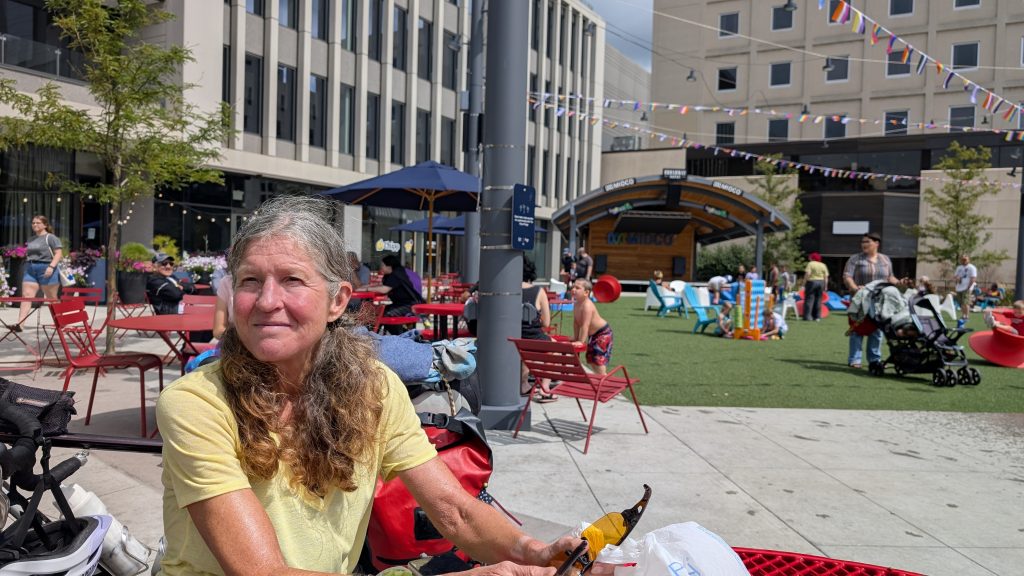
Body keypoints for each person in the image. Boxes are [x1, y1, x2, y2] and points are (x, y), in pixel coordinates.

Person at [156, 196, 579, 576]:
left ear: (337, 301)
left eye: (292, 280)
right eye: (250, 281)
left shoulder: (374, 387)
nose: (267, 301)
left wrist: (535, 552)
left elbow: (456, 512)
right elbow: (262, 572)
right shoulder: (197, 403)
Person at [843, 232, 906, 370]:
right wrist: (854, 288)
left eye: (867, 242)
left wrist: (899, 283)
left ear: (876, 243)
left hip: (880, 301)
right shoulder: (855, 259)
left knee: (877, 330)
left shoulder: (885, 259)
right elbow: (847, 276)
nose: (863, 244)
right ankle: (855, 359)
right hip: (860, 299)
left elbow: (890, 277)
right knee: (857, 329)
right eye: (862, 242)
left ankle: (874, 360)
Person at [13, 215, 63, 331]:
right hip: (31, 268)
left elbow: (58, 253)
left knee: (52, 298)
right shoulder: (31, 239)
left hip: (47, 268)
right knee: (26, 296)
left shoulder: (51, 238)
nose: (35, 225)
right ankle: (20, 324)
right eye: (33, 223)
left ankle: (60, 322)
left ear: (45, 225)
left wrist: (51, 267)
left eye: (38, 223)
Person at [521, 258, 557, 402]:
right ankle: (545, 388)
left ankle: (524, 383)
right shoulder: (538, 291)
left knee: (522, 348)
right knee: (554, 346)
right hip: (533, 338)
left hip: (511, 339)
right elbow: (546, 323)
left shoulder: (506, 290)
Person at [358, 254, 424, 333]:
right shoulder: (393, 274)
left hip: (409, 305)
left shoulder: (396, 274)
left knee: (386, 314)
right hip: (402, 304)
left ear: (389, 266)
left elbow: (384, 289)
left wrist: (366, 289)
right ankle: (373, 333)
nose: (381, 267)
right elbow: (382, 286)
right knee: (379, 313)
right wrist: (365, 287)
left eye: (383, 265)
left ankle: (400, 335)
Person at [571, 278, 612, 375]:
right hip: (593, 334)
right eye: (573, 287)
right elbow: (576, 322)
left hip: (602, 333)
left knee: (598, 359)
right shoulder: (576, 304)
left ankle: (603, 378)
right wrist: (576, 338)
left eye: (577, 288)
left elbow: (585, 325)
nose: (573, 289)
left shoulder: (587, 305)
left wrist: (581, 341)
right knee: (591, 359)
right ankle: (599, 377)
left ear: (586, 292)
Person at [952, 254, 977, 329]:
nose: (963, 261)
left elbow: (973, 278)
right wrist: (957, 278)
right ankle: (963, 315)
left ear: (968, 260)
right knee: (961, 303)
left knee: (965, 302)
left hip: (967, 287)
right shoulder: (959, 267)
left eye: (965, 259)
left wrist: (969, 287)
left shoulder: (972, 267)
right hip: (959, 287)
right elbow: (955, 276)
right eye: (962, 259)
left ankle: (967, 316)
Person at [803, 252, 828, 322]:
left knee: (809, 299)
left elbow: (807, 273)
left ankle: (808, 316)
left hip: (812, 282)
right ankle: (817, 317)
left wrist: (804, 283)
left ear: (813, 258)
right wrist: (826, 286)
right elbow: (826, 277)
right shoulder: (823, 265)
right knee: (818, 300)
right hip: (821, 282)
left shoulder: (810, 264)